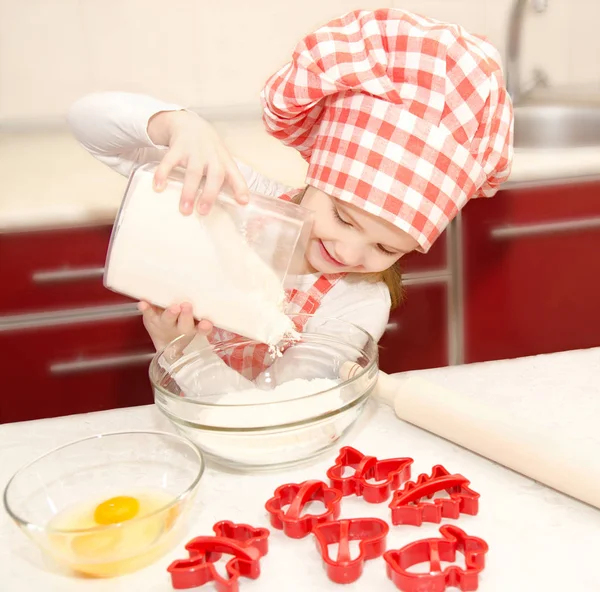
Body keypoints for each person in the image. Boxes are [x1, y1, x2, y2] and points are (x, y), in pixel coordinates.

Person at [68, 8, 513, 378]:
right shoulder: (242, 200)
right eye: (343, 217)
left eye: (385, 247)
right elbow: (86, 123)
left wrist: (184, 353)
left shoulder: (358, 301)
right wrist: (177, 125)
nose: (351, 251)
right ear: (316, 175)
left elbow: (280, 414)